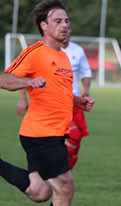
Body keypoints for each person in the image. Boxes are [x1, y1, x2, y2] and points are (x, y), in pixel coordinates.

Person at [0, 0, 95, 206]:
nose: (65, 26)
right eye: (58, 21)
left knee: (40, 192)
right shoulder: (36, 52)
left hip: (55, 132)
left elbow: (60, 92)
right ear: (44, 25)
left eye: (67, 21)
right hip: (40, 132)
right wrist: (27, 84)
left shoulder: (63, 57)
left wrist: (78, 101)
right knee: (65, 184)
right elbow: (5, 79)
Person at [16, 25, 93, 169]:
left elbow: (86, 72)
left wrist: (86, 89)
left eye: (68, 25)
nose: (66, 29)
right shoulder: (39, 51)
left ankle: (60, 173)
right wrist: (22, 98)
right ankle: (57, 173)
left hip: (74, 102)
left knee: (76, 138)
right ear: (45, 26)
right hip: (50, 104)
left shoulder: (77, 51)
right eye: (59, 22)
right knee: (62, 139)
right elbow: (19, 76)